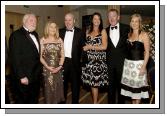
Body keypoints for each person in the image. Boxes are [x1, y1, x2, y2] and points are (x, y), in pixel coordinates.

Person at [9, 13, 42, 104]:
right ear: (24, 21)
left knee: (34, 100)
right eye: (31, 20)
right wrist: (22, 76)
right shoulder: (16, 35)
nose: (34, 23)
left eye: (35, 21)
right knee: (23, 102)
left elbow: (36, 55)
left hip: (35, 76)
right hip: (24, 78)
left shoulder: (35, 34)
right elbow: (15, 58)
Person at [120, 14, 150, 104]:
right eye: (132, 21)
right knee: (132, 93)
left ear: (139, 23)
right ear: (130, 23)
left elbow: (147, 52)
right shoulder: (129, 35)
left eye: (136, 21)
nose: (134, 23)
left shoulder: (144, 35)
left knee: (138, 92)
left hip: (138, 67)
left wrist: (143, 67)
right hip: (128, 66)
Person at [81, 12, 108, 104]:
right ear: (92, 20)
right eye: (95, 19)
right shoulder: (87, 31)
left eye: (98, 19)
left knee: (96, 84)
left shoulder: (103, 31)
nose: (96, 20)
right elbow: (85, 44)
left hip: (98, 62)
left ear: (100, 21)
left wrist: (90, 47)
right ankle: (95, 103)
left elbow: (104, 47)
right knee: (92, 84)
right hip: (89, 61)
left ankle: (95, 103)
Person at [59, 13, 85, 104]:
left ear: (74, 21)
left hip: (75, 63)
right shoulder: (60, 31)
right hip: (63, 62)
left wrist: (81, 62)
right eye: (66, 20)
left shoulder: (80, 32)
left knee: (75, 86)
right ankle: (62, 104)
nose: (68, 22)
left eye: (70, 20)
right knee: (62, 85)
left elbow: (83, 48)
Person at [106, 9, 130, 104]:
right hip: (110, 64)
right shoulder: (105, 30)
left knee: (122, 88)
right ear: (108, 19)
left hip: (122, 63)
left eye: (114, 16)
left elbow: (132, 45)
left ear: (118, 17)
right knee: (110, 88)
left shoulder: (126, 28)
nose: (112, 18)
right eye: (110, 16)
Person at [40, 21, 65, 104]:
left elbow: (63, 55)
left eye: (55, 27)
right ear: (47, 28)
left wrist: (59, 67)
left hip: (58, 70)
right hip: (47, 71)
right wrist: (48, 67)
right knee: (49, 92)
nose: (53, 29)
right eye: (51, 27)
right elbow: (40, 57)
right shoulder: (43, 40)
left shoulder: (60, 40)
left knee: (58, 92)